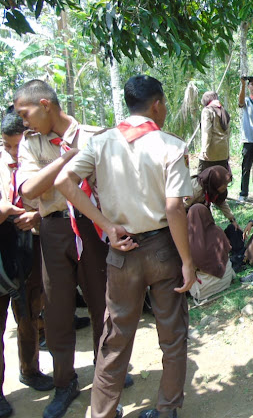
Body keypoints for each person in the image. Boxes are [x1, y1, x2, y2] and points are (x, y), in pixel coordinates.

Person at [55, 75, 196, 418]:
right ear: (157, 104)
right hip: (163, 247)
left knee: (116, 336)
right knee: (172, 335)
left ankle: (103, 412)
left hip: (122, 250)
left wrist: (106, 226)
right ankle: (167, 411)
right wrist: (187, 262)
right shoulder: (170, 145)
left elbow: (64, 182)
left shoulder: (101, 143)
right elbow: (175, 207)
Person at [13, 79, 110, 418]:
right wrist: (67, 158)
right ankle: (64, 381)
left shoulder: (94, 136)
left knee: (101, 302)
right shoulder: (31, 145)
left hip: (90, 225)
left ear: (45, 105)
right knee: (56, 310)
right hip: (53, 227)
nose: (24, 123)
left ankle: (105, 372)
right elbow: (28, 190)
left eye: (25, 114)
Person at [0, 110, 53, 418]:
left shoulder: (39, 154)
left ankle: (29, 369)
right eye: (7, 146)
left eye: (17, 146)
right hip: (3, 246)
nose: (12, 153)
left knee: (30, 312)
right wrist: (10, 210)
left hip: (31, 242)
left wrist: (36, 214)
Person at [186, 165, 239, 230]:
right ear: (215, 182)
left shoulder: (213, 187)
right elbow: (181, 208)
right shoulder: (195, 190)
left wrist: (232, 220)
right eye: (224, 184)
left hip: (202, 212)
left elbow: (221, 202)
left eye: (227, 184)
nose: (225, 187)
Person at [197, 91, 230, 174]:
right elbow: (228, 134)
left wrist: (204, 149)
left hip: (210, 153)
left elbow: (206, 132)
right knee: (221, 182)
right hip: (223, 152)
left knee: (202, 180)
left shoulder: (207, 111)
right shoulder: (224, 111)